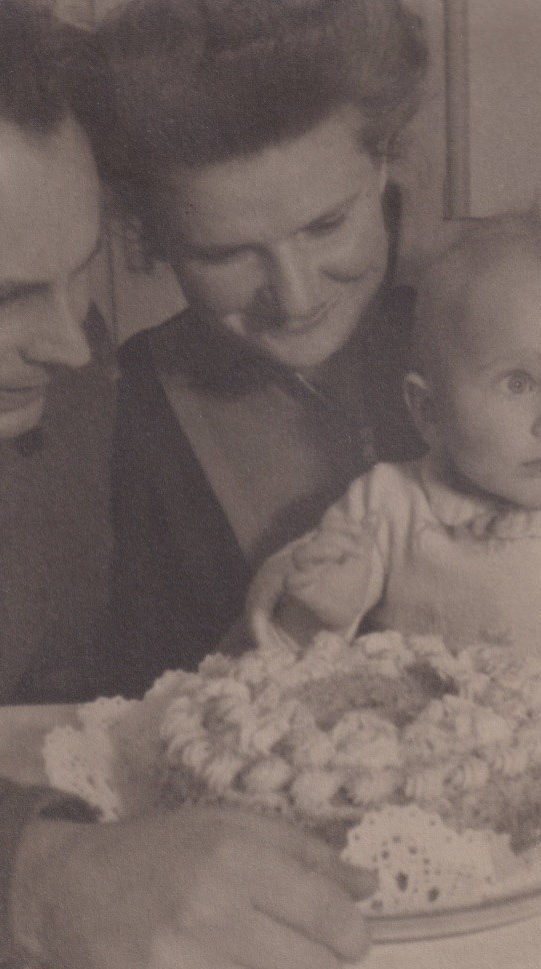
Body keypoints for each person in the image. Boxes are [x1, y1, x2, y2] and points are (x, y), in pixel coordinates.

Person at [0, 0, 374, 969]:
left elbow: (85, 688)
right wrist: (33, 878)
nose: (72, 345)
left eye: (78, 277)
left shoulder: (61, 395)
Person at [97, 0, 429, 697]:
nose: (296, 298)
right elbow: (139, 699)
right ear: (153, 237)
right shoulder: (122, 414)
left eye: (327, 225)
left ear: (383, 160)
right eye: (226, 254)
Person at [246, 213, 541, 696]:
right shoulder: (387, 504)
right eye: (518, 383)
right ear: (429, 410)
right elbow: (284, 657)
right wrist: (319, 611)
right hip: (426, 735)